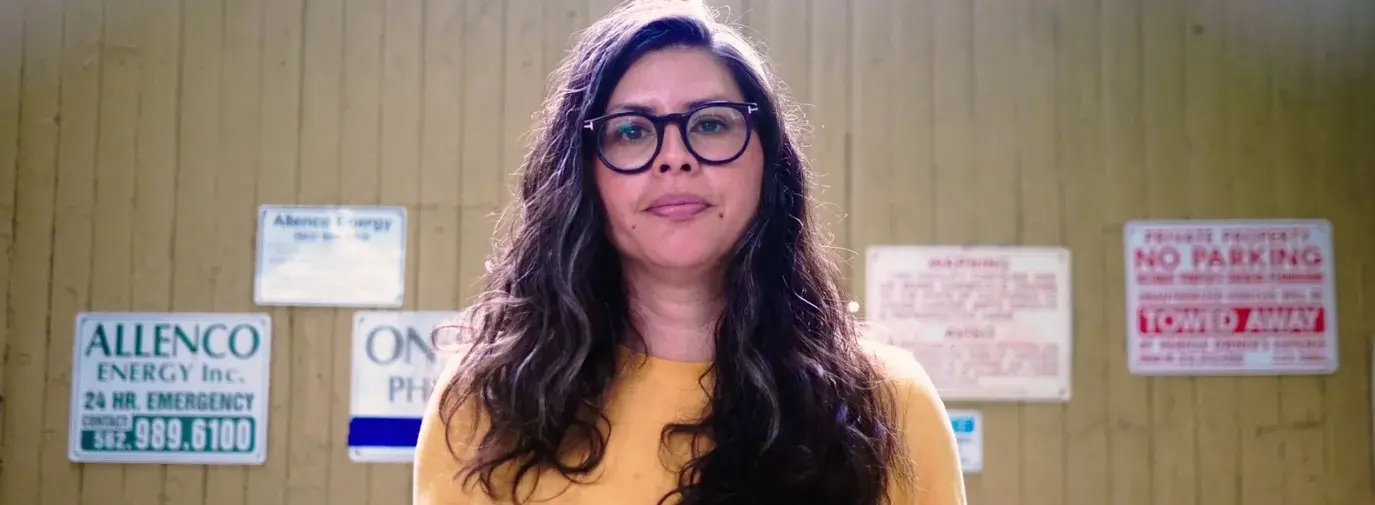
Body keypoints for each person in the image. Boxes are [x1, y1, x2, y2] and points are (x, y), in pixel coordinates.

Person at [413, 1, 966, 504]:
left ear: (767, 162)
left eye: (710, 124)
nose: (674, 157)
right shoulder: (487, 408)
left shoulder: (890, 405)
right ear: (583, 175)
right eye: (631, 131)